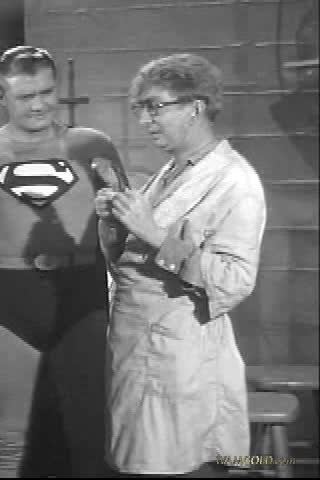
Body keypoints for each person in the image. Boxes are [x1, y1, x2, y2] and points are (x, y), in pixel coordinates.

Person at [0, 45, 123, 477]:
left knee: (89, 436)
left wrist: (117, 210)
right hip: (7, 301)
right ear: (1, 97)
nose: (38, 105)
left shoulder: (93, 146)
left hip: (81, 297)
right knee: (11, 440)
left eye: (46, 92)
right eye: (25, 96)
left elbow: (126, 234)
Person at [95, 53, 266, 476]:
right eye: (141, 109)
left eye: (156, 107)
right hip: (137, 344)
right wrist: (116, 223)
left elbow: (235, 279)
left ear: (196, 107)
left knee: (173, 463)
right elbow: (131, 263)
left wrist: (154, 234)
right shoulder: (171, 172)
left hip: (180, 351)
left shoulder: (235, 181)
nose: (145, 120)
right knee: (138, 460)